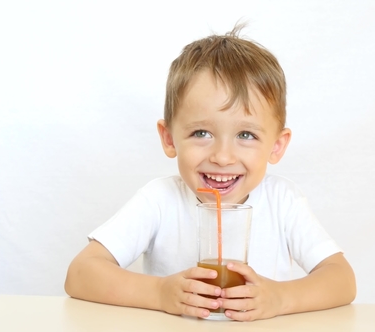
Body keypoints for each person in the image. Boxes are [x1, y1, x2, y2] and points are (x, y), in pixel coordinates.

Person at [64, 24, 356, 322]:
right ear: (169, 138)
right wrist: (160, 292)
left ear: (277, 146)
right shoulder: (159, 200)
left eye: (246, 135)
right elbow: (80, 273)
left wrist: (280, 298)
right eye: (201, 132)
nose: (222, 157)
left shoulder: (283, 201)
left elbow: (342, 280)